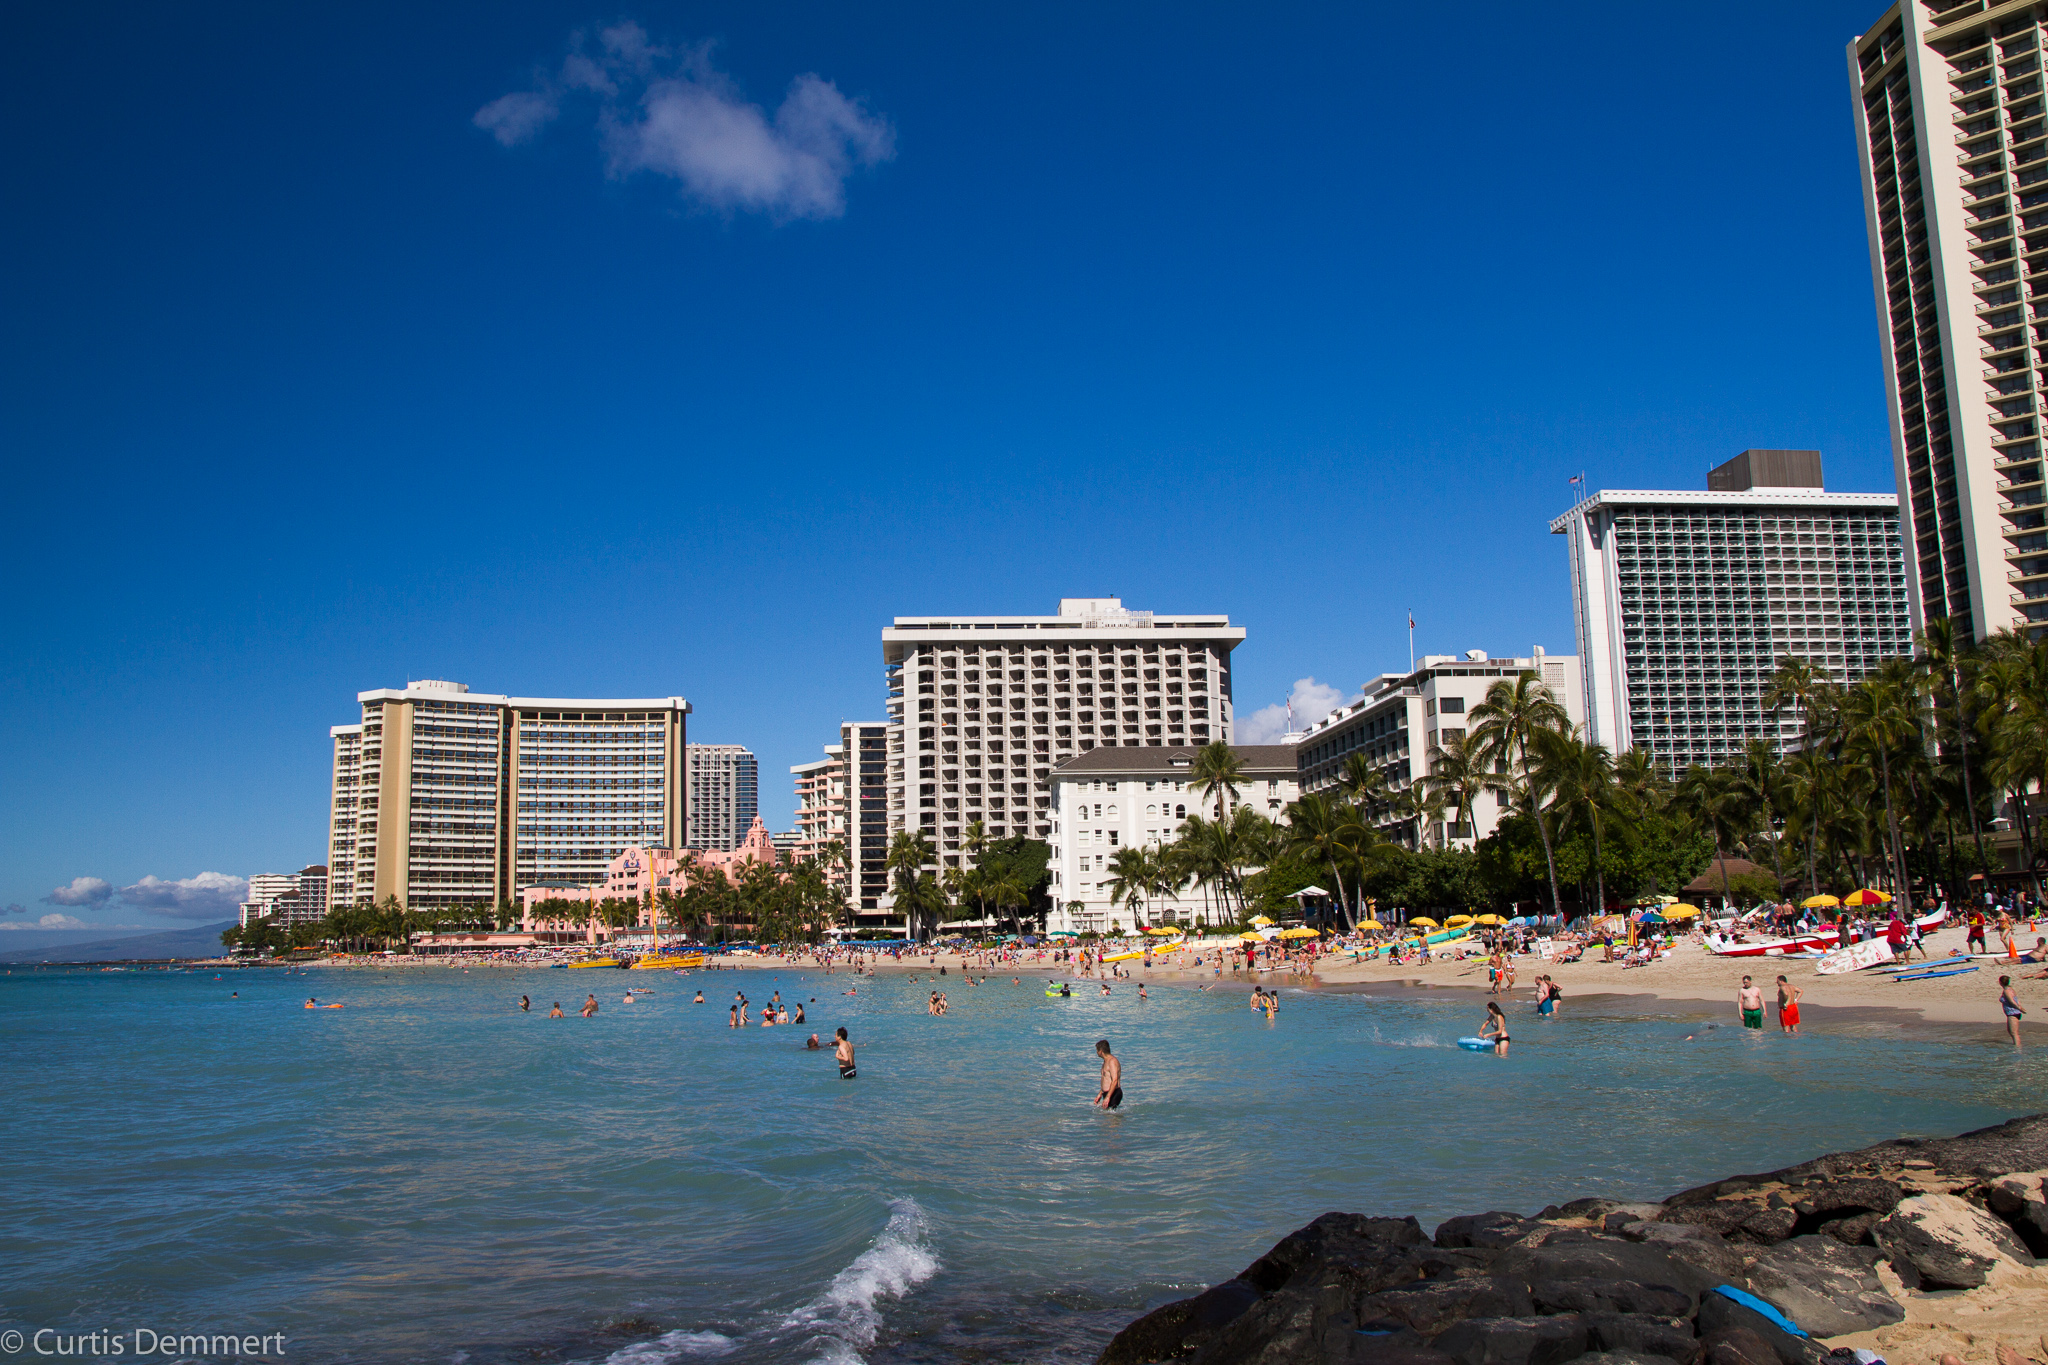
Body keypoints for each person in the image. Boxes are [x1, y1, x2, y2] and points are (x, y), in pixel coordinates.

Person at [1092, 1039, 1123, 1109]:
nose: (1096, 1052)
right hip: (1107, 1093)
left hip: (1114, 1093)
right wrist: (1100, 1094)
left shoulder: (1112, 1061)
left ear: (1101, 1051)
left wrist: (1108, 1097)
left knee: (1112, 1117)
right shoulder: (1105, 1062)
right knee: (1107, 1117)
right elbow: (1106, 1080)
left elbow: (1114, 1080)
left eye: (1097, 1050)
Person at [2000, 975, 2025, 1049]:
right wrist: (2020, 1006)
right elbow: (2017, 999)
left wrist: (2020, 1008)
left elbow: (2012, 1001)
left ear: (2000, 982)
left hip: (2013, 1013)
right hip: (2012, 1013)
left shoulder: (2007, 991)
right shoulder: (2010, 989)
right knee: (2011, 1031)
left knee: (2014, 1033)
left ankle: (2018, 1048)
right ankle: (2016, 1046)